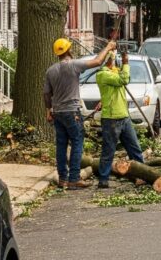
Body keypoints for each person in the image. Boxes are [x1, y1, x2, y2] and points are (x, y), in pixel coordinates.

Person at [43, 36, 115, 189]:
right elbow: (97, 62)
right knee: (77, 142)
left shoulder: (51, 70)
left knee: (61, 145)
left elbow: (46, 93)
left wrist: (49, 110)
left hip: (58, 112)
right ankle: (74, 178)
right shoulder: (74, 65)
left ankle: (63, 178)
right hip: (72, 112)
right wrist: (108, 48)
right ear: (68, 49)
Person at [94, 47, 144, 190]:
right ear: (109, 61)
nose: (115, 61)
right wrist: (126, 62)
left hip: (124, 116)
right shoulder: (103, 75)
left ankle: (142, 174)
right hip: (111, 119)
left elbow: (122, 78)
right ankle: (103, 179)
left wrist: (121, 65)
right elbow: (124, 79)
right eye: (113, 59)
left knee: (135, 148)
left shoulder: (112, 72)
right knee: (108, 150)